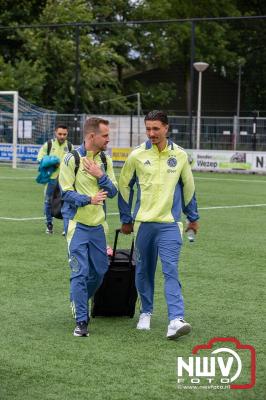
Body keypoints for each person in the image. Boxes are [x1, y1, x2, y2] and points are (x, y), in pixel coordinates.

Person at [118, 110, 199, 340]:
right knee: (144, 270)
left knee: (170, 269)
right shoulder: (136, 155)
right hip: (143, 224)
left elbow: (189, 187)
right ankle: (146, 312)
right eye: (148, 129)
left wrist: (192, 217)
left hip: (170, 224)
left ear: (166, 128)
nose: (151, 133)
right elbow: (125, 186)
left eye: (156, 128)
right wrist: (126, 219)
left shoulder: (181, 155)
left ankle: (176, 319)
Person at [59, 117, 117, 337]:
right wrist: (88, 199)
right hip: (77, 225)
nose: (108, 139)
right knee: (80, 272)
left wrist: (100, 176)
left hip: (99, 226)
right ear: (92, 136)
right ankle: (81, 320)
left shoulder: (105, 160)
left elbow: (113, 191)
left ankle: (78, 297)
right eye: (105, 135)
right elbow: (65, 193)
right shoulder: (71, 159)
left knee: (100, 271)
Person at [37, 124, 73, 234]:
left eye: (64, 134)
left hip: (65, 179)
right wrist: (51, 161)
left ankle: (65, 227)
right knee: (48, 201)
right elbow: (40, 159)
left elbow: (74, 162)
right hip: (51, 179)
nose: (62, 136)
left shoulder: (70, 147)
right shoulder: (48, 145)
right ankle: (49, 224)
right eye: (60, 134)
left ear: (67, 134)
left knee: (66, 201)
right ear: (55, 133)